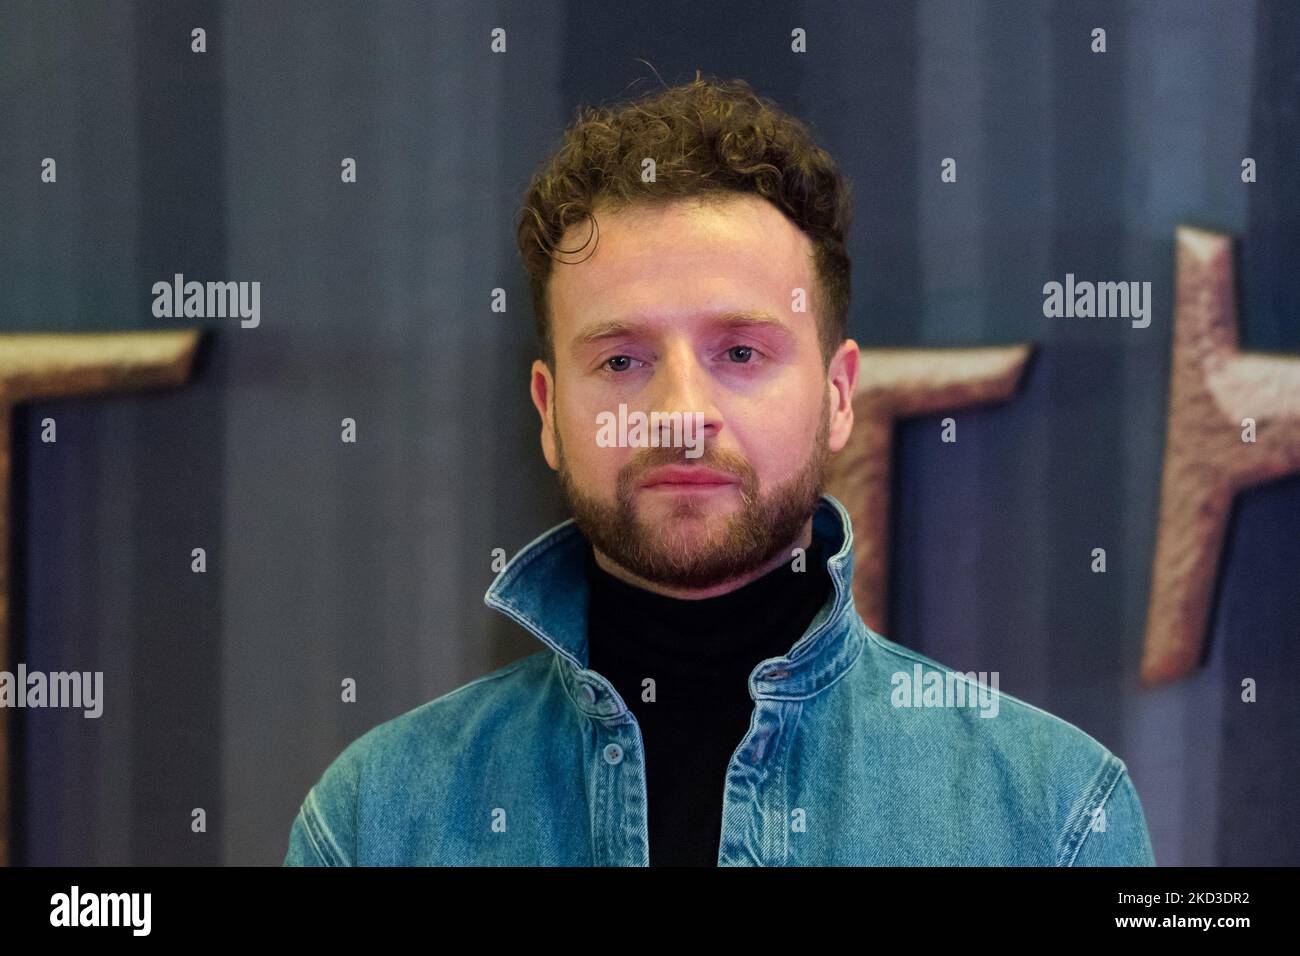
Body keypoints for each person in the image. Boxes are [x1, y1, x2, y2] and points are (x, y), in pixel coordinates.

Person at [284, 75, 1155, 866]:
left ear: (839, 394)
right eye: (621, 361)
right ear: (549, 412)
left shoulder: (1053, 818)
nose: (679, 413)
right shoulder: (373, 823)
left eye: (740, 351)